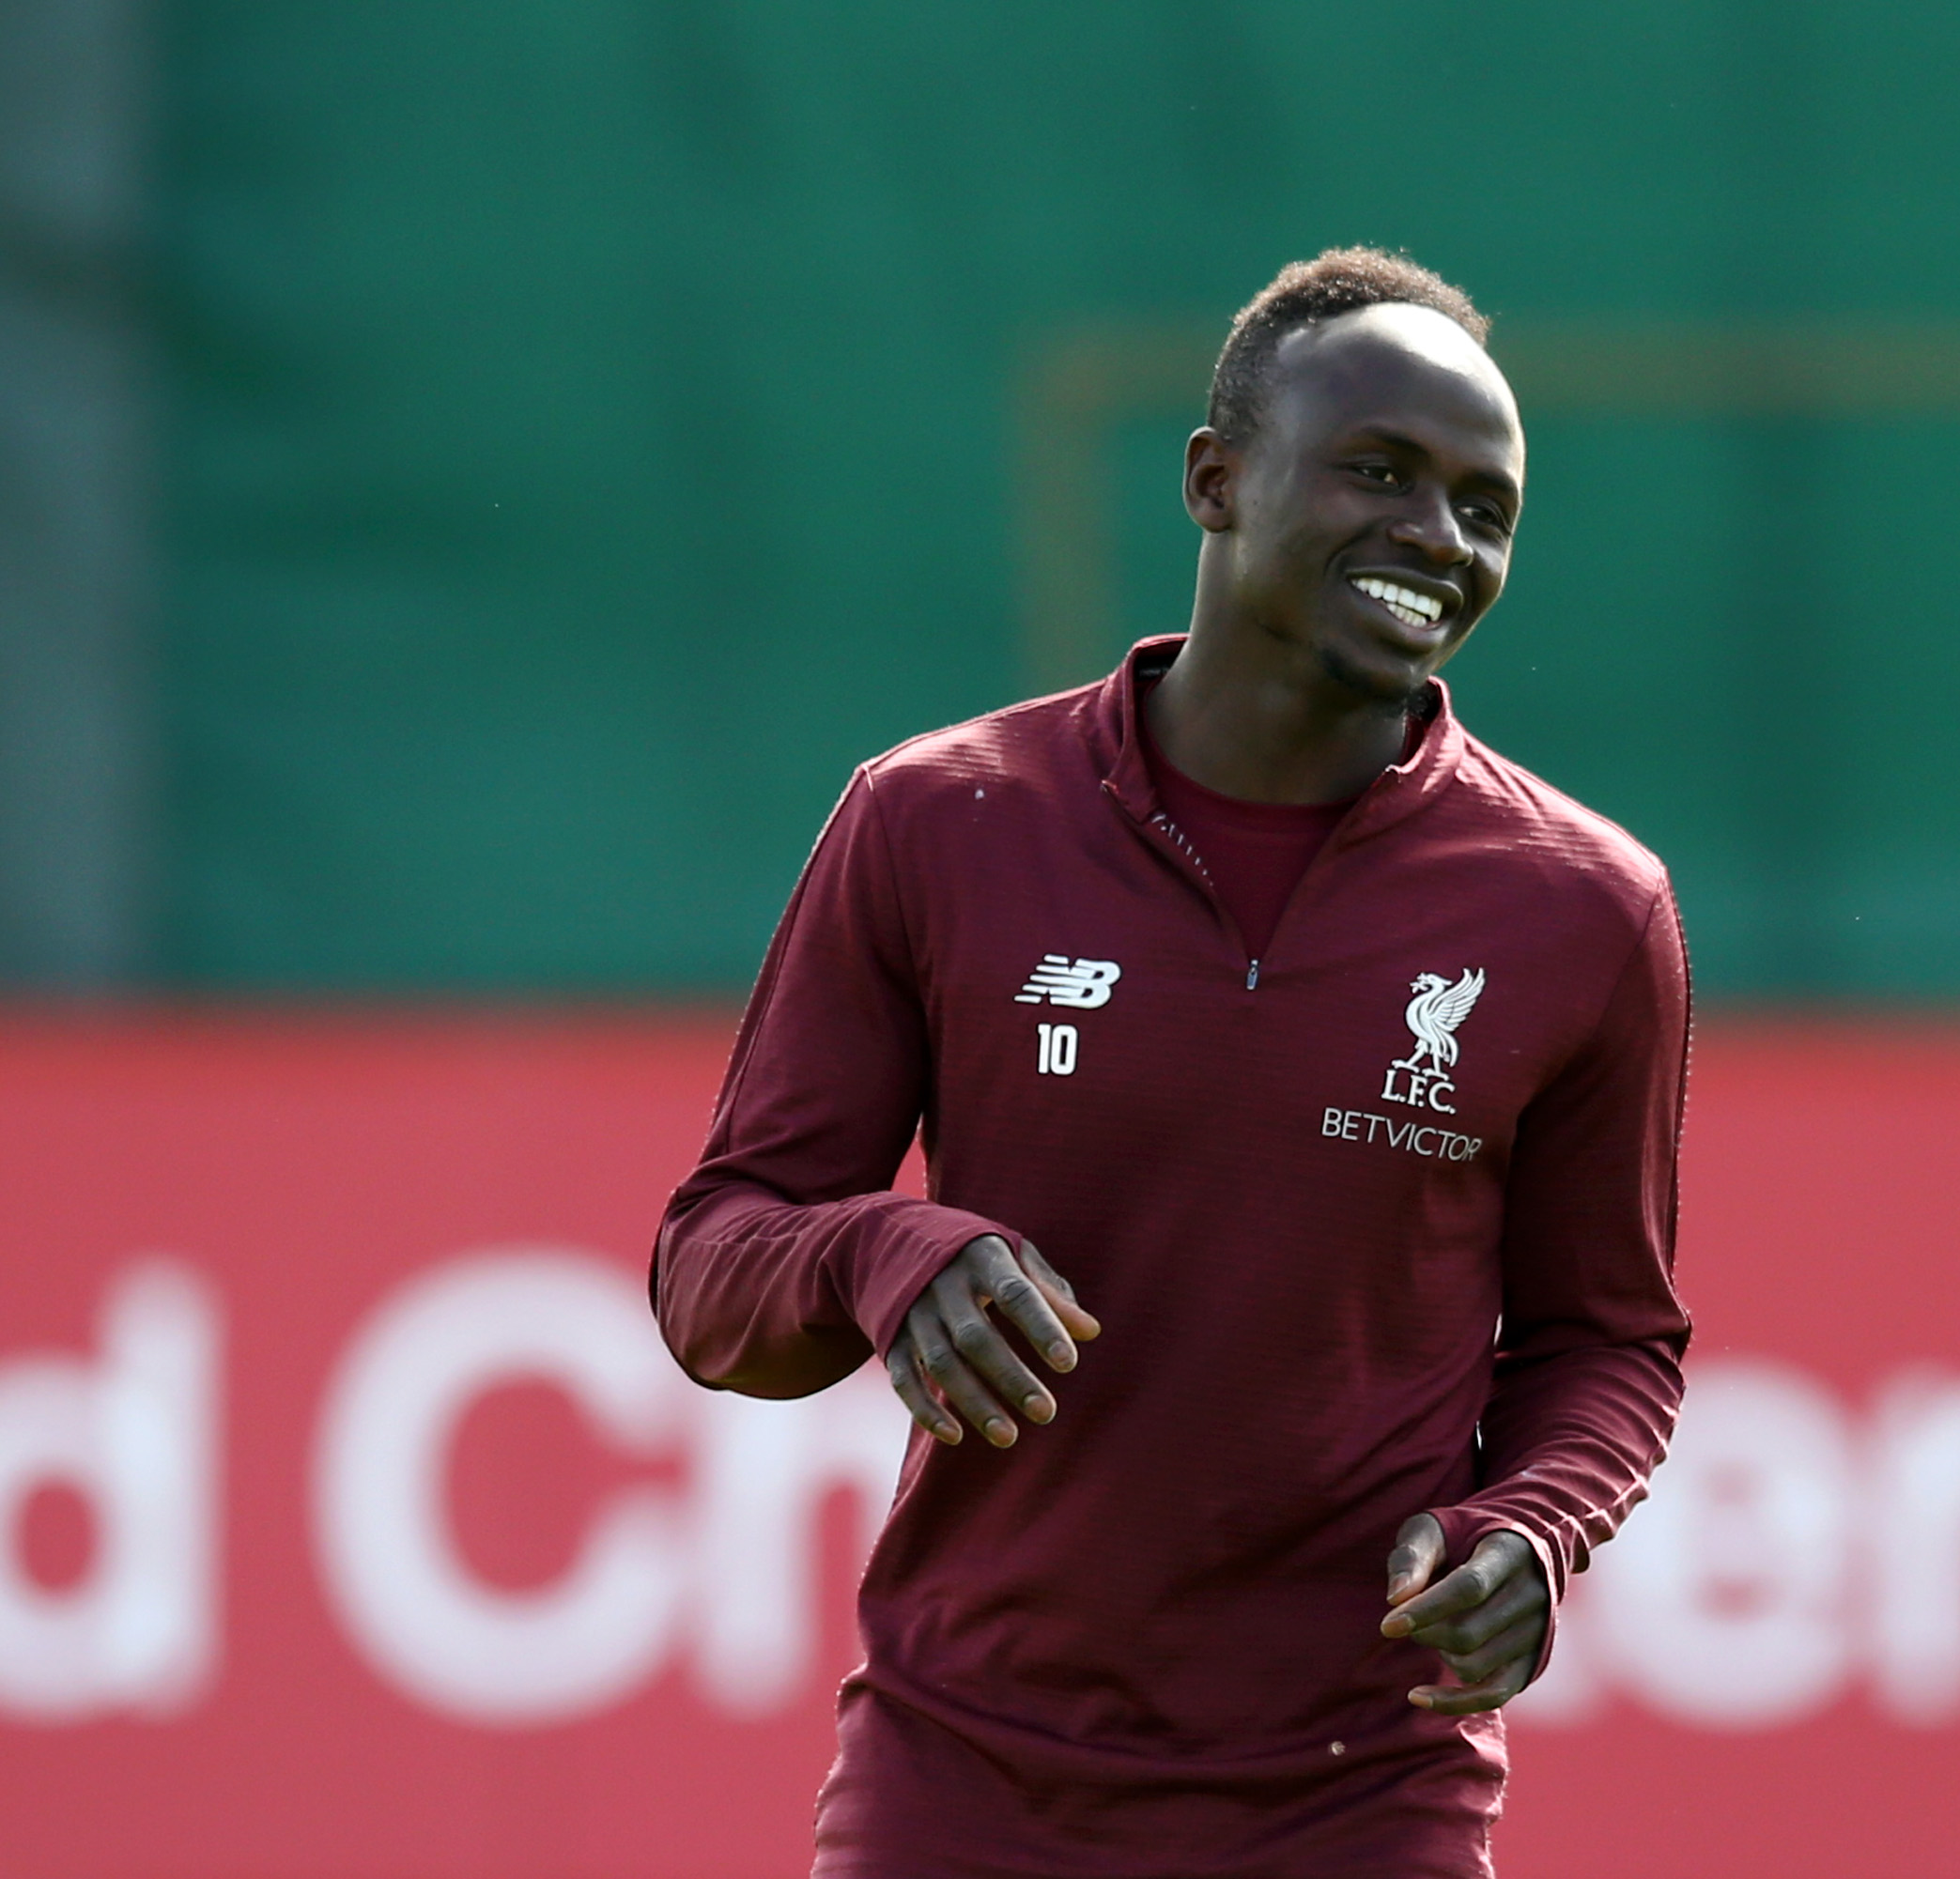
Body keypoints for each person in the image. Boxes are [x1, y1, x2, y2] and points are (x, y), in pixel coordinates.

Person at [651, 247, 1691, 1879]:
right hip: (970, 1784)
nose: (1439, 535)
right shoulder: (938, 821)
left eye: (1485, 505)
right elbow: (713, 1268)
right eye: (1380, 471)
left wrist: (1531, 1529)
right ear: (1214, 480)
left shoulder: (1584, 908)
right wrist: (885, 1251)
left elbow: (1609, 1344)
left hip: (1366, 1802)